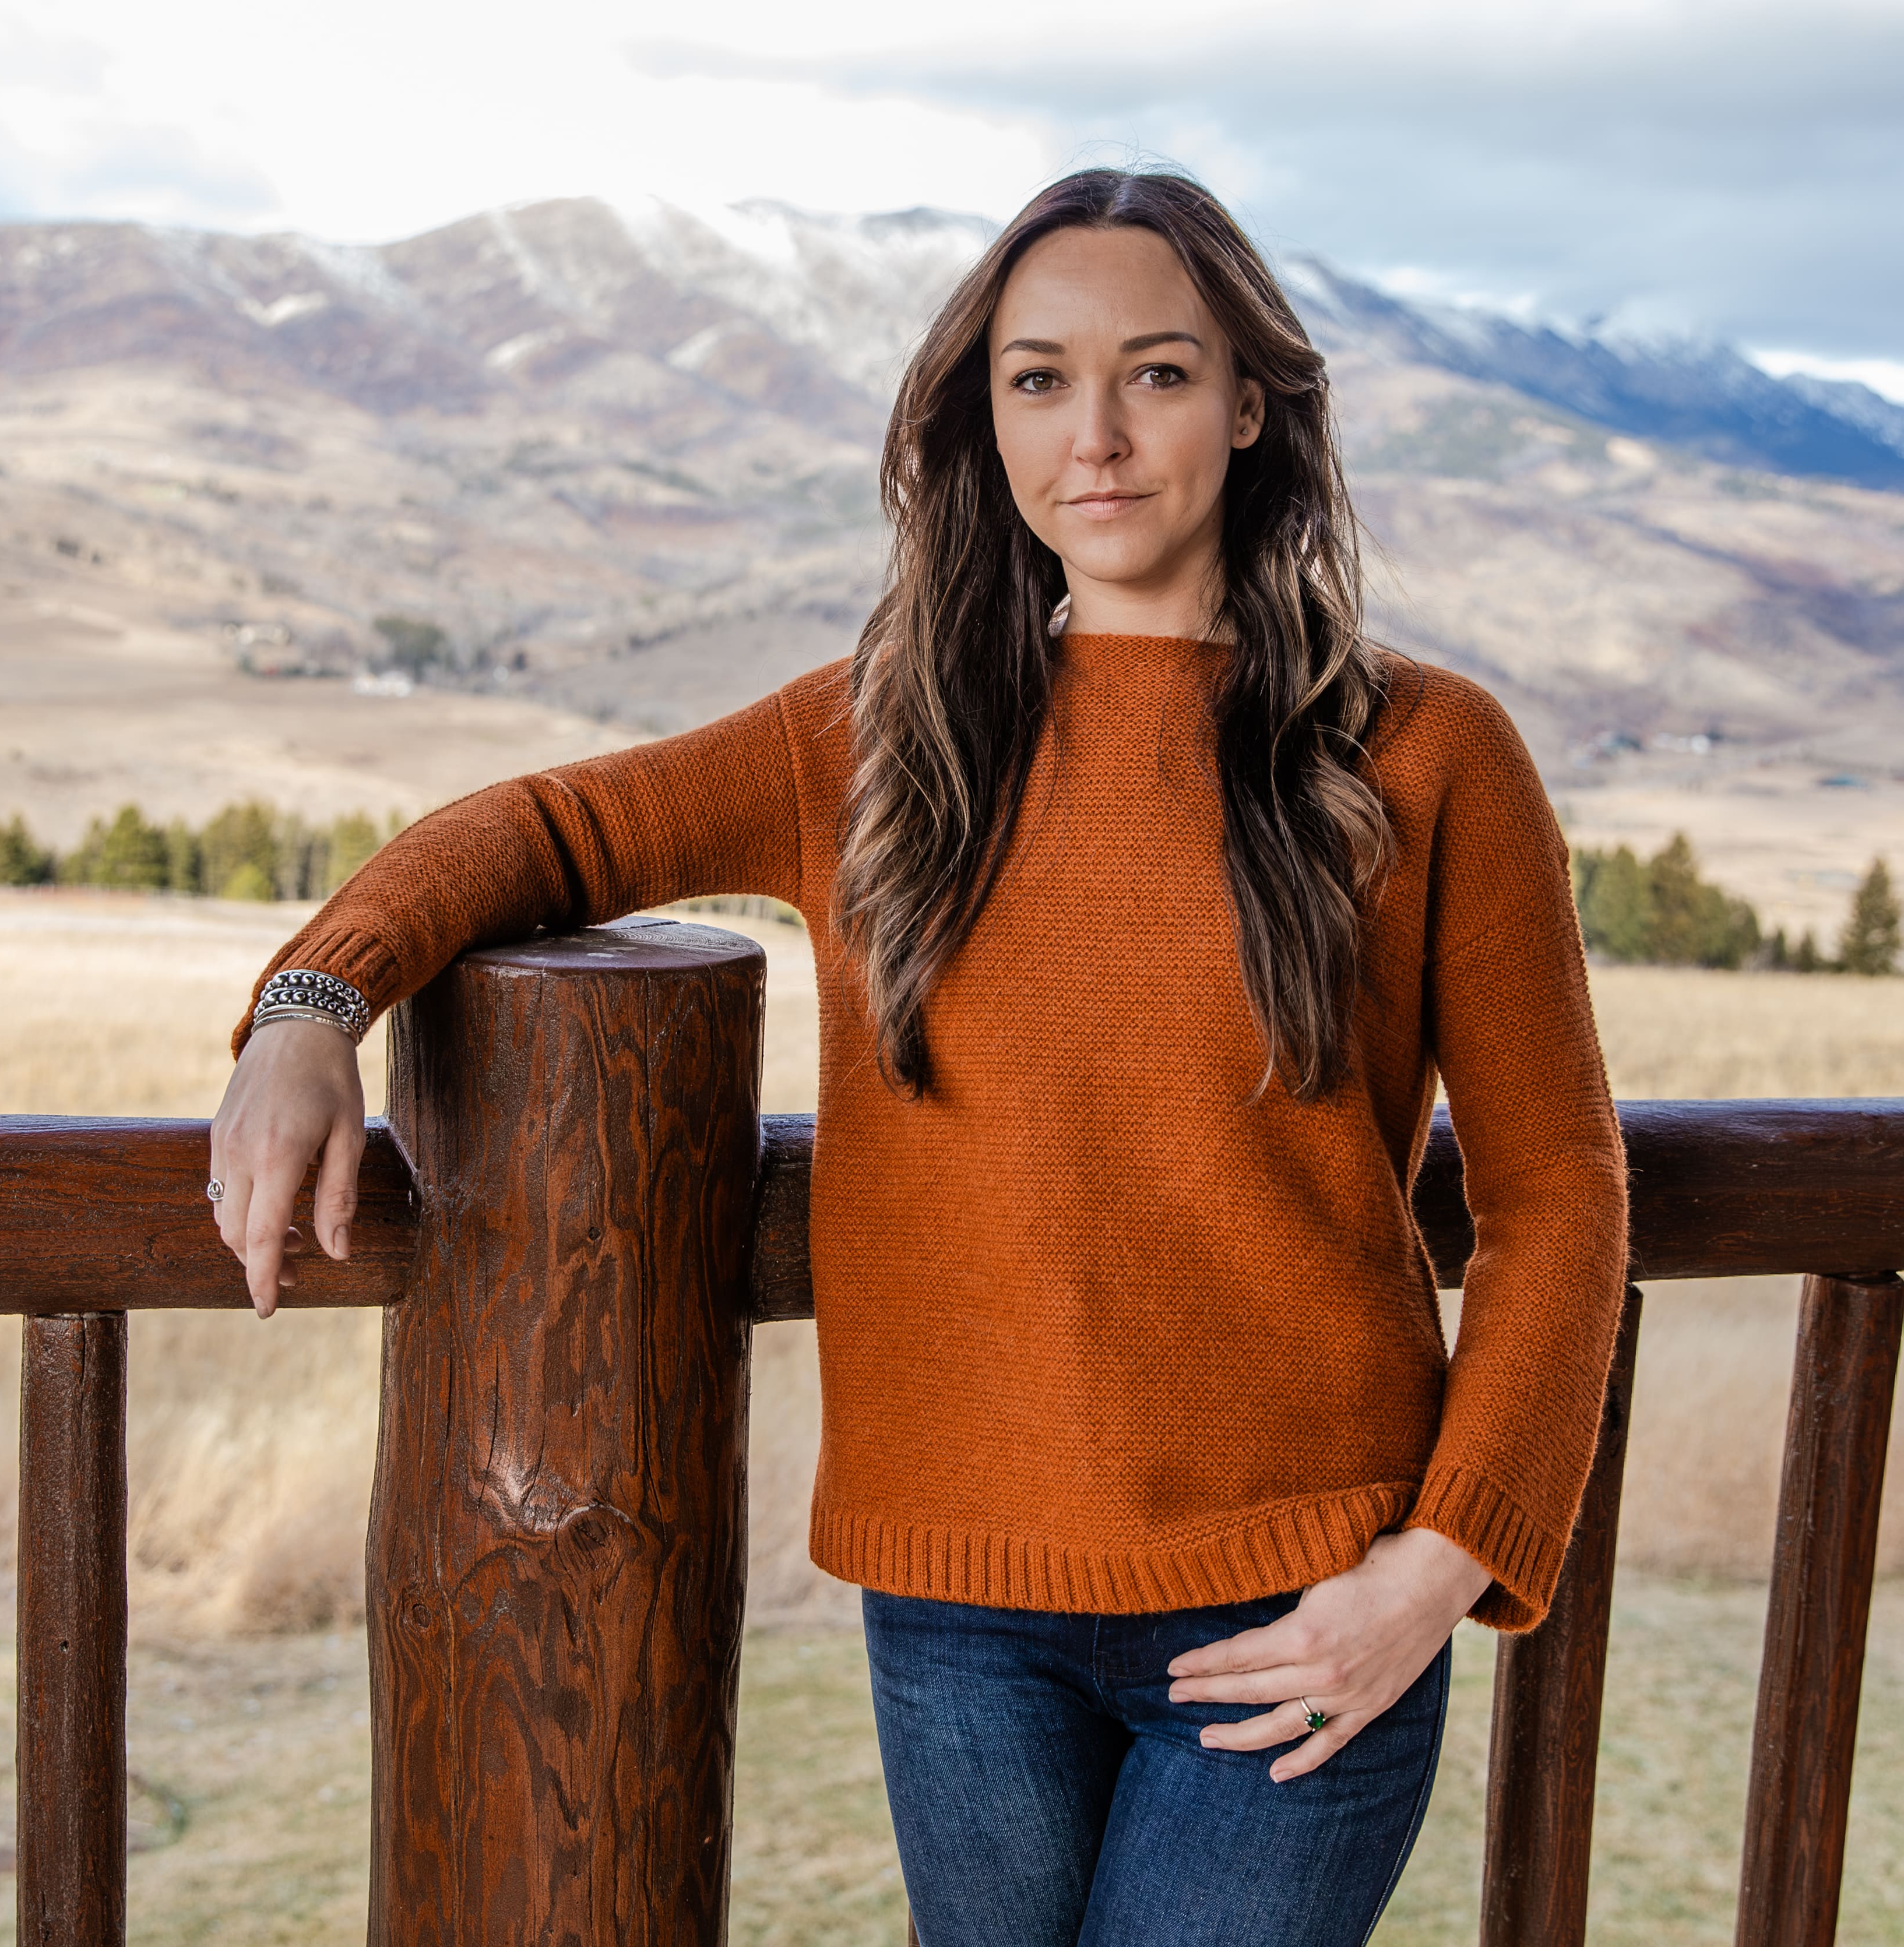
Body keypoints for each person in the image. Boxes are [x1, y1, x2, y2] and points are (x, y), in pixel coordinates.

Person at [209, 167, 1628, 1946]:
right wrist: (311, 1011)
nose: (1094, 436)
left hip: (1308, 1610)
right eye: (1037, 379)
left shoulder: (1425, 753)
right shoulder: (883, 735)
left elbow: (1560, 1192)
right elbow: (549, 827)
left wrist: (1437, 1574)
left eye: (1159, 374)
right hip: (958, 1624)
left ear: (1254, 405)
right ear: (984, 416)